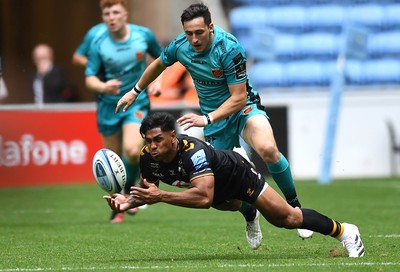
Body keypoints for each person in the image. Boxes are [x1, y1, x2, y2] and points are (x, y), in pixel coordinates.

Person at [115, 3, 312, 240]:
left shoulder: (230, 48)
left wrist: (205, 118)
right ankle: (249, 213)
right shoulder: (180, 46)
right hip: (214, 120)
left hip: (243, 109)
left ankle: (296, 207)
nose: (194, 39)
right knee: (220, 195)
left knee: (268, 149)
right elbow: (158, 63)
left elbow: (238, 98)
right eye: (189, 33)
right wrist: (135, 91)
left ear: (210, 27)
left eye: (199, 32)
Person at [104, 111, 365, 258]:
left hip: (238, 175)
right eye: (147, 141)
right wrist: (126, 202)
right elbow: (148, 192)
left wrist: (161, 196)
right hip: (214, 188)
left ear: (173, 136)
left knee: (287, 219)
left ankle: (345, 231)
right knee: (230, 206)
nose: (152, 146)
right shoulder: (149, 157)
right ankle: (250, 213)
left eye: (157, 140)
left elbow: (203, 199)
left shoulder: (192, 152)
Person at [85, 0, 163, 223]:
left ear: (125, 14)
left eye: (115, 12)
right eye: (106, 13)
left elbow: (163, 60)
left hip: (135, 102)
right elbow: (89, 78)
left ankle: (130, 190)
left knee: (131, 149)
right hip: (108, 105)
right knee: (111, 159)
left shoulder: (142, 35)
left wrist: (158, 83)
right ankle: (118, 205)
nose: (111, 16)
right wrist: (103, 86)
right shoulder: (98, 42)